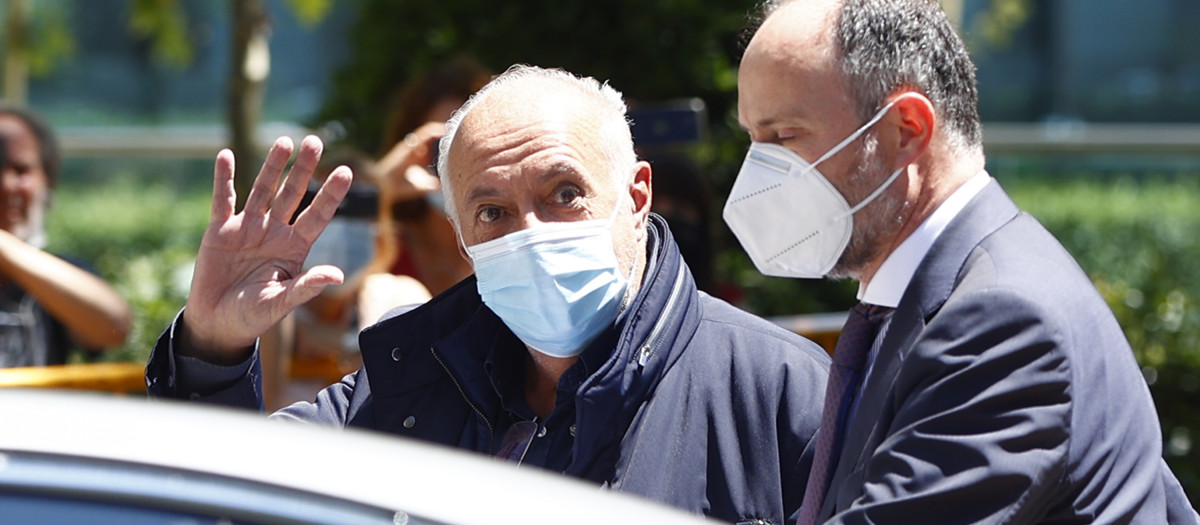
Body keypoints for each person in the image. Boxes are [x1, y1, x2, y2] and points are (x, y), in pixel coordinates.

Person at [146, 65, 832, 523]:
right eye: (493, 211)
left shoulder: (784, 393)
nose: (530, 232)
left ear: (635, 194)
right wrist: (212, 346)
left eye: (564, 194)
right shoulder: (404, 385)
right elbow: (224, 499)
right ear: (461, 232)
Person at [727, 1, 1199, 523]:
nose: (761, 171)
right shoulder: (934, 296)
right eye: (754, 140)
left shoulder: (1003, 320)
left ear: (906, 129)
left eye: (785, 137)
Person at [0, 106, 131, 368]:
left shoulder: (62, 273)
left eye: (21, 169)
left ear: (47, 182)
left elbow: (114, 327)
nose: (6, 185)